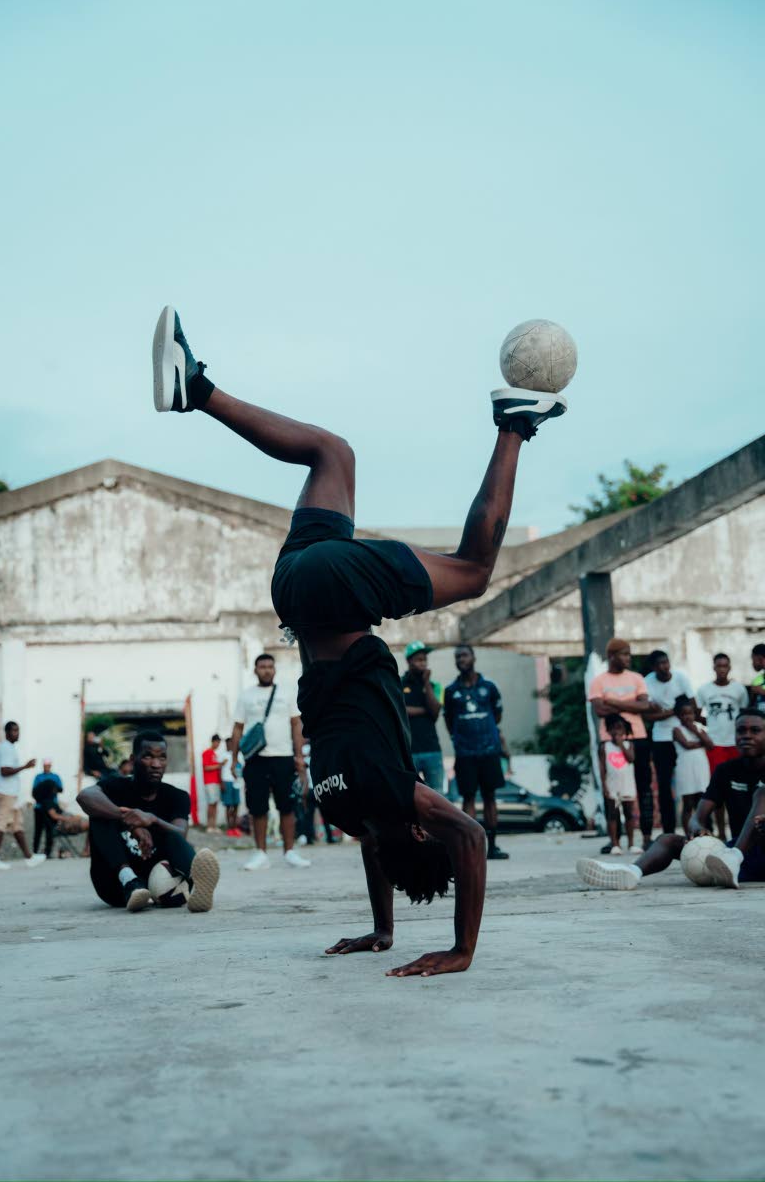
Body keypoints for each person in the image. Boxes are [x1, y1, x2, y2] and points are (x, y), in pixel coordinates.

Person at [152, 304, 565, 976]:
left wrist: (462, 949)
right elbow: (381, 846)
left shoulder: (401, 800)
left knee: (475, 571)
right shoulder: (353, 809)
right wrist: (382, 932)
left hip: (337, 593)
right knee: (331, 453)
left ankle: (515, 423)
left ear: (423, 827)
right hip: (292, 588)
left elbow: (470, 835)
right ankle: (194, 389)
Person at [575, 709, 765, 891]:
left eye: (755, 730)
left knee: (762, 792)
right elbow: (697, 816)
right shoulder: (726, 770)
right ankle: (632, 872)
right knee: (667, 840)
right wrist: (697, 828)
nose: (746, 736)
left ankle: (734, 857)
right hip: (735, 862)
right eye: (741, 730)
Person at [76, 729, 220, 912]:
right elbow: (85, 796)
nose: (156, 764)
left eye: (162, 758)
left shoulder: (177, 796)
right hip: (114, 885)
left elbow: (181, 833)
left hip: (164, 881)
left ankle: (197, 883)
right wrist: (128, 820)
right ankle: (131, 881)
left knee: (173, 834)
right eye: (148, 757)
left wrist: (151, 820)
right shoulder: (115, 786)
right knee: (100, 812)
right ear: (132, 759)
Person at [230, 654, 310, 870]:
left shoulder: (287, 692)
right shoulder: (246, 696)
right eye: (262, 667)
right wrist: (233, 758)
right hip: (255, 759)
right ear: (255, 670)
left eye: (269, 666)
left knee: (287, 805)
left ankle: (290, 851)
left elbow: (296, 724)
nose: (266, 670)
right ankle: (260, 853)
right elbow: (238, 728)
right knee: (258, 807)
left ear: (274, 670)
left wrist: (299, 756)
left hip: (283, 757)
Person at [444, 644, 509, 860]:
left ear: (473, 657)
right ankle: (471, 848)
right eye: (457, 657)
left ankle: (493, 845)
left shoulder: (489, 687)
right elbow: (449, 722)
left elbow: (497, 715)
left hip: (489, 751)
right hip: (465, 754)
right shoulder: (451, 691)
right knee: (468, 798)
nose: (460, 660)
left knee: (490, 796)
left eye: (464, 655)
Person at [588, 639, 655, 849]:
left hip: (637, 737)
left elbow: (645, 706)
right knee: (613, 792)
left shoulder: (636, 678)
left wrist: (614, 702)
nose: (628, 658)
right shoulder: (599, 681)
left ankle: (645, 838)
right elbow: (599, 710)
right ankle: (615, 840)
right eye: (624, 654)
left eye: (629, 654)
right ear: (612, 656)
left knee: (643, 789)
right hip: (610, 741)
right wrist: (631, 705)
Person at [697, 653, 748, 840]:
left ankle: (741, 830)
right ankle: (720, 832)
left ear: (730, 667)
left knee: (738, 788)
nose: (722, 669)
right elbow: (694, 714)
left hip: (735, 744)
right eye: (719, 666)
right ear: (713, 667)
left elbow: (744, 715)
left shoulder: (739, 690)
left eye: (725, 666)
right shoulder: (704, 690)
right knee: (718, 788)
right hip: (715, 744)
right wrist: (707, 728)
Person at [643, 650, 694, 836]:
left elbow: (692, 705)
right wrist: (675, 710)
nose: (665, 667)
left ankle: (702, 828)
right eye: (660, 664)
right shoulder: (647, 682)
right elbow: (647, 716)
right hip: (661, 739)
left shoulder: (681, 678)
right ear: (653, 667)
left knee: (693, 785)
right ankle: (669, 832)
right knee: (664, 787)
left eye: (666, 662)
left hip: (685, 734)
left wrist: (665, 713)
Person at [0, 722, 46, 871]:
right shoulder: (6, 747)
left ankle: (29, 858)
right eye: (14, 731)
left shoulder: (10, 747)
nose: (17, 733)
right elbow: (4, 771)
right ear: (6, 732)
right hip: (6, 793)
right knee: (0, 823)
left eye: (18, 730)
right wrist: (25, 767)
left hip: (12, 794)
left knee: (17, 824)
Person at [401, 642, 445, 793]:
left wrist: (426, 683)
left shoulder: (434, 685)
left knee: (437, 795)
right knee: (409, 797)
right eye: (418, 659)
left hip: (432, 750)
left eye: (424, 659)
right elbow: (400, 710)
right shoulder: (399, 684)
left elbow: (435, 711)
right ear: (409, 661)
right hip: (409, 752)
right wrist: (424, 710)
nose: (423, 663)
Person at [672, 696, 712, 834]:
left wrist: (695, 731)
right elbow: (687, 745)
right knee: (688, 802)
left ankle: (705, 831)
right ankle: (688, 833)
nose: (687, 717)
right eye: (684, 714)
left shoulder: (700, 727)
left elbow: (710, 745)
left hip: (700, 767)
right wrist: (700, 741)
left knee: (702, 801)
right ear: (678, 716)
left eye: (690, 713)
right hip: (685, 767)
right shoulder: (677, 730)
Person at [599, 715, 636, 854]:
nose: (616, 732)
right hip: (612, 786)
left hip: (627, 785)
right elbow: (602, 768)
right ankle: (615, 844)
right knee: (613, 814)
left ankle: (631, 843)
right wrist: (604, 786)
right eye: (613, 729)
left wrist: (621, 745)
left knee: (629, 813)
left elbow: (631, 759)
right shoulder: (605, 747)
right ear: (608, 731)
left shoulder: (629, 745)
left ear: (625, 731)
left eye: (619, 728)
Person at [32, 759, 64, 857]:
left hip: (51, 806)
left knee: (50, 830)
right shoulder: (38, 777)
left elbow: (61, 789)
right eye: (45, 765)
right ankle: (35, 852)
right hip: (40, 807)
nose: (47, 767)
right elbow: (34, 792)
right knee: (38, 830)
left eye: (48, 765)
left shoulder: (55, 777)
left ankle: (48, 852)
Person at [219, 737, 242, 836]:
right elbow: (219, 770)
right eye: (227, 744)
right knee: (228, 806)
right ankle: (229, 828)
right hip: (226, 781)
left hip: (236, 782)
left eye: (231, 743)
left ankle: (235, 827)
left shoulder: (239, 755)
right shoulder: (223, 755)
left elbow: (241, 767)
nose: (229, 746)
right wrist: (221, 783)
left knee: (236, 805)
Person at [202, 734, 223, 833]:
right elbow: (206, 767)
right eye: (217, 742)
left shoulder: (215, 754)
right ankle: (209, 826)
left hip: (216, 782)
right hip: (209, 782)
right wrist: (219, 765)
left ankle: (214, 825)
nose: (218, 744)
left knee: (215, 803)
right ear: (213, 741)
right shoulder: (207, 753)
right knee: (211, 803)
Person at [747, 643, 765, 714]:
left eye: (753, 659)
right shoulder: (757, 680)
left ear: (760, 658)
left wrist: (762, 692)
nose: (752, 663)